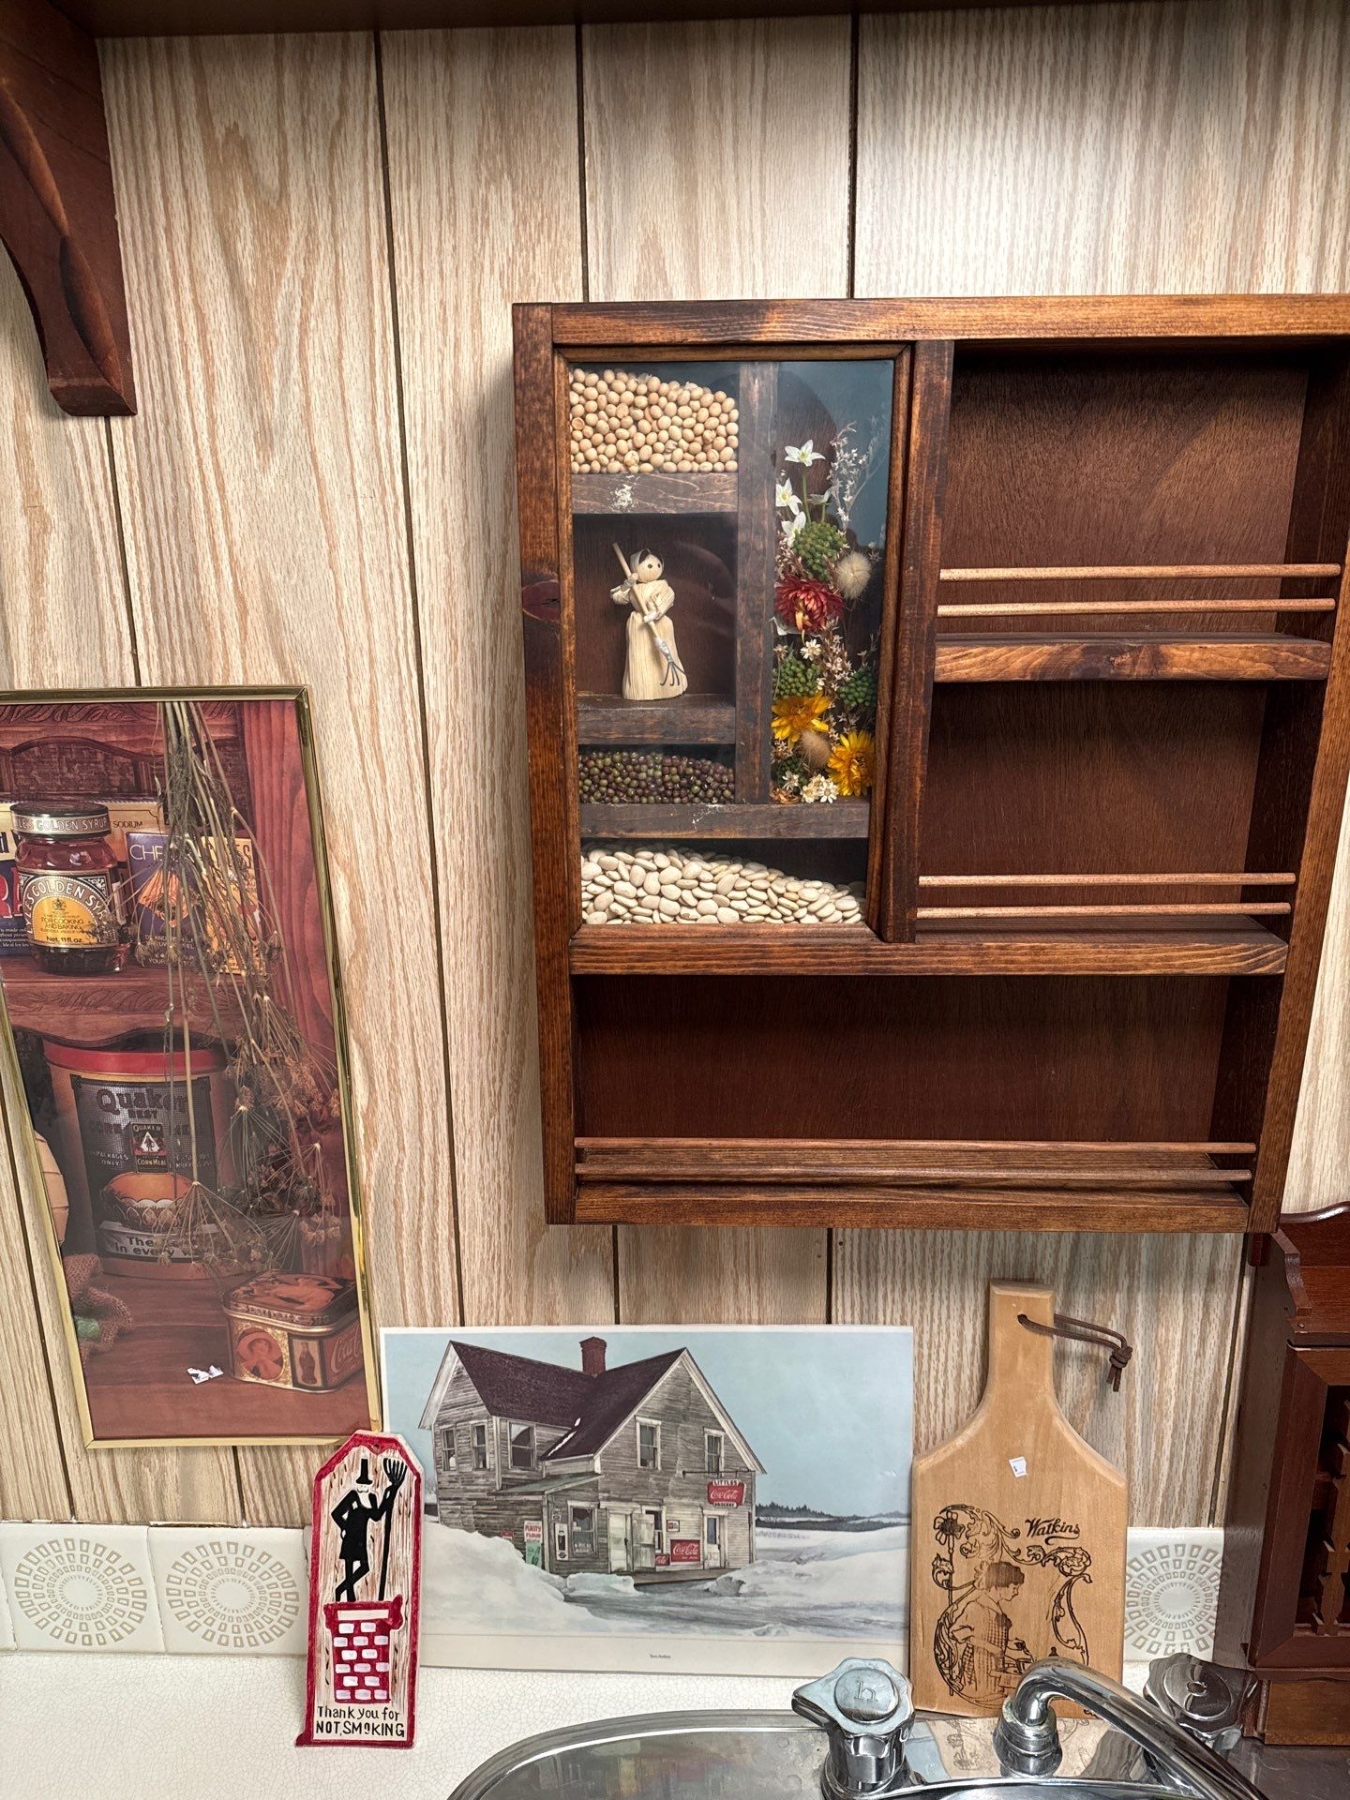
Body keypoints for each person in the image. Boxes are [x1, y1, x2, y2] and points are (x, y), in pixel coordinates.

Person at [935, 1561, 1031, 1705]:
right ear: (1000, 1585)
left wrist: (1010, 1644)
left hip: (994, 1665)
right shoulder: (976, 1607)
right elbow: (957, 1632)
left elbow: (990, 1637)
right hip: (976, 1665)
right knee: (982, 1696)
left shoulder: (998, 1612)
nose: (1016, 1592)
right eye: (1014, 1588)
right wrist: (989, 1647)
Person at [332, 1456, 406, 1603]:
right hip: (350, 1538)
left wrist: (389, 1494)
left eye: (365, 1485)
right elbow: (336, 1514)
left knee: (364, 1567)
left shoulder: (372, 1498)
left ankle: (340, 1589)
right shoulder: (352, 1496)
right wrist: (344, 1527)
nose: (362, 1487)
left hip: (361, 1540)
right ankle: (350, 1601)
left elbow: (377, 1516)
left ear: (369, 1485)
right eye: (360, 1484)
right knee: (348, 1568)